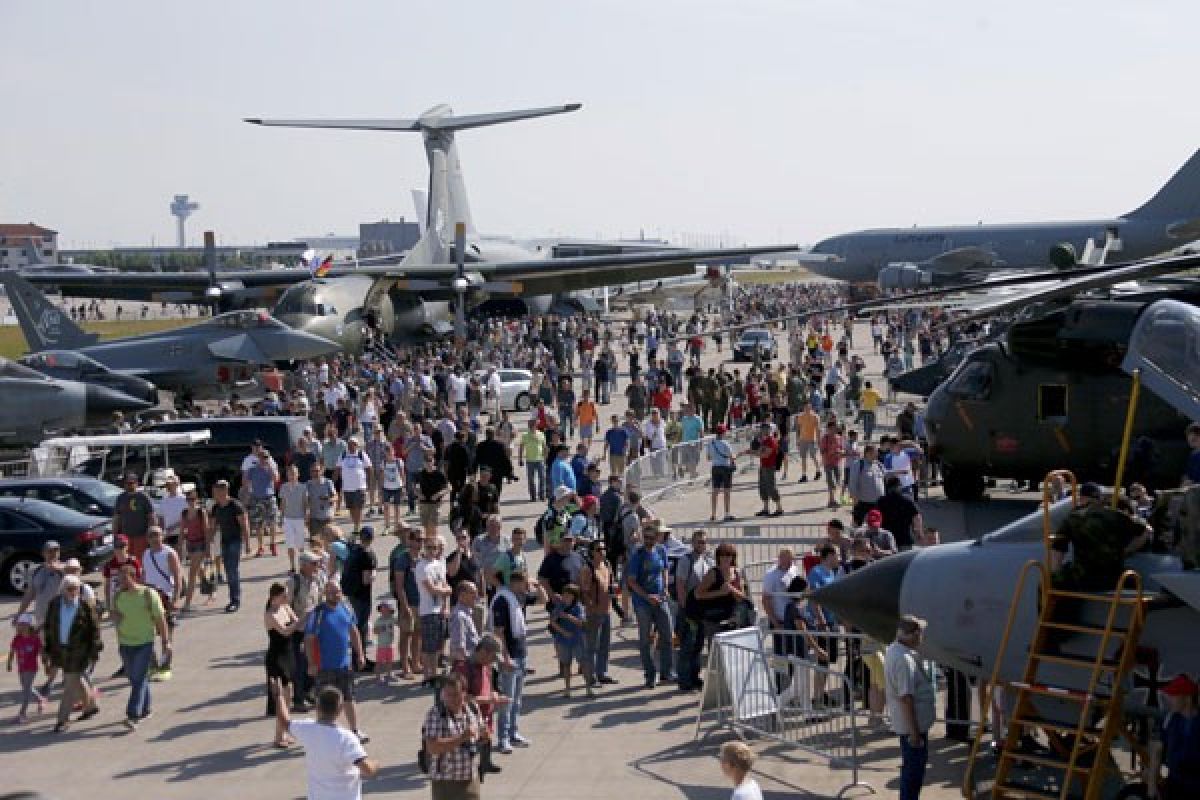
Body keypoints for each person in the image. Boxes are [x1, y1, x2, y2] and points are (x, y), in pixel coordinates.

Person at [272, 683, 378, 799]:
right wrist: (376, 764)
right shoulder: (347, 738)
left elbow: (284, 721)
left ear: (317, 706)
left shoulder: (307, 728)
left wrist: (279, 696)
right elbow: (368, 770)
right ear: (341, 709)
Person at [305, 582, 369, 743]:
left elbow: (353, 631)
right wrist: (311, 662)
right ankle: (321, 734)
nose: (336, 595)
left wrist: (360, 654)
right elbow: (309, 639)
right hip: (323, 667)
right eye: (332, 592)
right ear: (325, 593)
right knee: (322, 700)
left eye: (338, 592)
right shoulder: (317, 613)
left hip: (344, 665)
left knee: (348, 698)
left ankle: (354, 730)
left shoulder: (346, 608)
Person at [111, 564, 171, 729]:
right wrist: (115, 617)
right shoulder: (117, 596)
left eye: (124, 578)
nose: (121, 582)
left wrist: (166, 642)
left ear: (133, 577)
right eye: (119, 579)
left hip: (144, 643)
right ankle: (146, 709)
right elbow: (114, 615)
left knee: (138, 679)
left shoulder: (148, 594)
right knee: (136, 678)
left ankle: (133, 715)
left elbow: (160, 619)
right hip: (125, 643)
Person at [885, 614, 935, 800]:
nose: (922, 637)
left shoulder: (894, 650)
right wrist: (914, 733)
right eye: (920, 633)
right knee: (913, 774)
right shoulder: (903, 660)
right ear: (913, 634)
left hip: (911, 726)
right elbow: (906, 698)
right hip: (913, 729)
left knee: (911, 772)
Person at [42, 579, 102, 732]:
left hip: (78, 651)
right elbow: (48, 626)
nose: (73, 592)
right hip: (60, 650)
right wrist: (47, 650)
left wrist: (95, 651)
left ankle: (62, 720)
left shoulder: (85, 606)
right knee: (77, 678)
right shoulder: (55, 604)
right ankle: (91, 707)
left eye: (76, 589)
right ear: (63, 589)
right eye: (69, 589)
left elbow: (94, 630)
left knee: (69, 685)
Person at [492, 570, 536, 753]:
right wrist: (505, 657)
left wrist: (536, 587)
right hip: (510, 655)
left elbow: (542, 600)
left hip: (521, 653)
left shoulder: (518, 597)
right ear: (516, 582)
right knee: (506, 700)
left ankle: (513, 733)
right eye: (525, 583)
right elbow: (498, 631)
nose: (527, 587)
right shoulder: (503, 599)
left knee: (517, 699)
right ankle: (503, 738)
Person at [626, 521, 674, 688]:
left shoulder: (661, 550)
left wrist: (666, 587)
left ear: (657, 537)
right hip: (643, 602)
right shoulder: (637, 555)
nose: (648, 540)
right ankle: (650, 675)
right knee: (645, 640)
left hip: (660, 599)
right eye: (645, 537)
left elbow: (665, 569)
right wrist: (647, 597)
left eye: (651, 537)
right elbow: (631, 581)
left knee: (667, 635)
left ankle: (666, 673)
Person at [422, 671, 485, 799]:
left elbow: (480, 737)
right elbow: (433, 747)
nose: (452, 699)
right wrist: (462, 737)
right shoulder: (436, 714)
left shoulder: (472, 708)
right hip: (446, 783)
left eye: (456, 694)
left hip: (470, 779)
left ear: (464, 693)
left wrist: (484, 736)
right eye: (448, 695)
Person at [1148, 674, 1200, 798]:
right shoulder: (1169, 720)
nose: (1169, 699)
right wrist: (1152, 785)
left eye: (1174, 695)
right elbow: (1157, 753)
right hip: (1174, 784)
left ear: (1187, 698)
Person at [289, 550, 327, 710]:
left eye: (318, 563)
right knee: (299, 666)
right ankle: (298, 700)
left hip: (314, 629)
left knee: (314, 662)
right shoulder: (293, 582)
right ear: (303, 565)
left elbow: (321, 601)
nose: (317, 565)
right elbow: (286, 605)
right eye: (314, 563)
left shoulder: (318, 579)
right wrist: (294, 624)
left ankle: (309, 692)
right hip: (299, 630)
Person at [578, 539, 616, 686]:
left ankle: (602, 673)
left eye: (604, 549)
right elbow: (584, 591)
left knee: (605, 645)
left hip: (607, 611)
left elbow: (611, 584)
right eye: (599, 549)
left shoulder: (607, 565)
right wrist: (591, 606)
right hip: (594, 613)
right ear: (592, 552)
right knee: (592, 647)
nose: (602, 552)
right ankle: (590, 677)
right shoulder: (588, 569)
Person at [416, 533, 453, 683]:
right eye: (429, 547)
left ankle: (434, 672)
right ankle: (427, 675)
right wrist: (446, 590)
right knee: (428, 646)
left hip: (440, 609)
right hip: (428, 610)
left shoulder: (439, 565)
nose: (432, 551)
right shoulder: (421, 566)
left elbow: (445, 585)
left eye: (435, 548)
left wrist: (445, 606)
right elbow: (431, 589)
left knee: (438, 644)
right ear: (424, 548)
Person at [210, 480, 250, 613]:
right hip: (224, 541)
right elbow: (213, 526)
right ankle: (233, 597)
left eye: (217, 491)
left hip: (235, 541)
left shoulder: (235, 505)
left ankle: (235, 600)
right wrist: (208, 542)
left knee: (232, 570)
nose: (215, 494)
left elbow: (244, 524)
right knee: (228, 570)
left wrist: (247, 543)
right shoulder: (216, 507)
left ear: (224, 491)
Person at [264, 581, 300, 727]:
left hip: (288, 652)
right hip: (277, 655)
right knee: (282, 691)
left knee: (288, 689)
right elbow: (285, 631)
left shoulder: (285, 607)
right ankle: (283, 722)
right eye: (284, 595)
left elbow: (296, 622)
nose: (287, 598)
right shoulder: (270, 614)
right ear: (275, 597)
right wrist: (302, 620)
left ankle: (286, 720)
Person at [341, 526, 378, 648]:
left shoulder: (354, 549)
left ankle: (357, 652)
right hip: (362, 595)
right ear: (372, 538)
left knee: (355, 621)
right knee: (361, 624)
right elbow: (366, 580)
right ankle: (359, 655)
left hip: (351, 591)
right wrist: (374, 574)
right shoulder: (367, 555)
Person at [243, 441, 281, 557]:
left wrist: (269, 466)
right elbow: (245, 481)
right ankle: (260, 546)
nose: (264, 459)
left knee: (272, 523)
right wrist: (249, 491)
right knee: (259, 524)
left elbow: (276, 479)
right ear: (258, 457)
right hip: (257, 498)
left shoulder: (270, 468)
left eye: (266, 457)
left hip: (269, 497)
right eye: (262, 457)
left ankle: (273, 544)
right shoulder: (252, 469)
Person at [142, 526, 183, 628]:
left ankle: (167, 643)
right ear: (147, 538)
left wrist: (175, 600)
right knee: (151, 627)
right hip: (150, 595)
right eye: (151, 535)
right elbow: (144, 575)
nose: (154, 538)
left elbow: (178, 577)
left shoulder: (169, 553)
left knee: (167, 627)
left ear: (162, 536)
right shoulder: (146, 553)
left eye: (157, 535)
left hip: (165, 596)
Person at [8, 612, 46, 724]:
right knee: (27, 687)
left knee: (26, 690)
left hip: (31, 668)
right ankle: (40, 699)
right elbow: (12, 651)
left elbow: (41, 653)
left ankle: (22, 714)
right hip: (21, 667)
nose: (19, 627)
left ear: (29, 625)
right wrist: (9, 663)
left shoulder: (35, 639)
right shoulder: (17, 638)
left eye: (22, 624)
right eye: (19, 624)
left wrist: (46, 665)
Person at [178, 490, 210, 612]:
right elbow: (182, 530)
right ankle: (208, 587)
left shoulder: (201, 512)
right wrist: (180, 546)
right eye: (188, 499)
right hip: (190, 544)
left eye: (192, 499)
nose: (190, 502)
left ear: (196, 499)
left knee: (192, 573)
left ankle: (187, 604)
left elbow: (206, 531)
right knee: (198, 570)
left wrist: (208, 548)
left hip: (200, 544)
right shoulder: (184, 513)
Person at [113, 472, 155, 560]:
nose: (128, 485)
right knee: (127, 561)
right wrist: (115, 535)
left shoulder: (143, 497)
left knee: (140, 560)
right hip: (125, 537)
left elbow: (152, 517)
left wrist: (151, 533)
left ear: (136, 483)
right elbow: (117, 518)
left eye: (130, 483)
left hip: (141, 536)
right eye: (126, 483)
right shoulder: (120, 498)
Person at [279, 464, 310, 573]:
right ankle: (293, 566)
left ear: (298, 474)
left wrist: (306, 515)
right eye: (289, 473)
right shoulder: (284, 487)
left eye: (294, 473)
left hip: (299, 518)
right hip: (288, 519)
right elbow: (282, 503)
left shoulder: (303, 487)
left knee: (300, 545)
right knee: (290, 544)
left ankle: (302, 566)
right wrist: (281, 516)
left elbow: (306, 503)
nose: (291, 475)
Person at [338, 437, 373, 532]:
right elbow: (338, 468)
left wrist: (369, 483)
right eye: (349, 444)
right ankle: (355, 523)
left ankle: (357, 527)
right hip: (347, 486)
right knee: (351, 507)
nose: (351, 446)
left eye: (353, 444)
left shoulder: (362, 455)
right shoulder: (343, 455)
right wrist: (337, 482)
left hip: (359, 486)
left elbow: (369, 468)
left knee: (359, 507)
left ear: (357, 445)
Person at [707, 424, 736, 522]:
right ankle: (727, 513)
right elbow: (732, 456)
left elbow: (708, 458)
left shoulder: (711, 443)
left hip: (715, 467)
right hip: (725, 467)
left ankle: (713, 514)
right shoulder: (725, 443)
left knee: (715, 491)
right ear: (723, 433)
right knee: (726, 491)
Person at [519, 419, 547, 502]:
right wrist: (520, 458)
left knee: (542, 478)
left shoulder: (541, 434)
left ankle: (542, 495)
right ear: (528, 425)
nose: (532, 426)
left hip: (540, 459)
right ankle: (533, 496)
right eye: (530, 425)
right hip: (529, 460)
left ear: (536, 425)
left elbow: (544, 447)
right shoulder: (525, 435)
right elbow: (521, 447)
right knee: (531, 479)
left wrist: (545, 458)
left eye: (534, 424)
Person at [372, 598, 397, 684]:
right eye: (383, 608)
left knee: (390, 661)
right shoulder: (378, 621)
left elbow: (398, 622)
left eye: (387, 608)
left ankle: (389, 674)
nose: (385, 610)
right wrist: (379, 629)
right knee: (379, 662)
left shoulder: (392, 619)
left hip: (390, 644)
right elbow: (374, 631)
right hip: (381, 645)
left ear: (390, 610)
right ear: (380, 610)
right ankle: (378, 676)